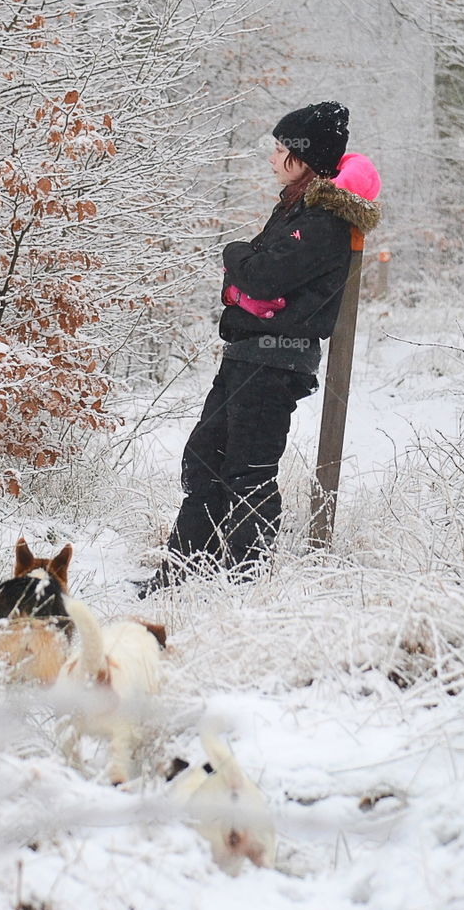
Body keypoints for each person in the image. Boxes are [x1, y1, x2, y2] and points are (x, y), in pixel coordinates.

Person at [138, 102, 381, 596]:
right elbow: (252, 280)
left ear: (304, 156)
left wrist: (236, 260)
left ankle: (245, 582)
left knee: (247, 469)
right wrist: (244, 281)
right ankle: (185, 572)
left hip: (275, 358)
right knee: (205, 457)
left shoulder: (323, 222)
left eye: (280, 149)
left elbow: (261, 273)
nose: (272, 157)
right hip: (250, 352)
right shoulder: (296, 207)